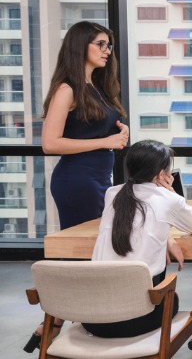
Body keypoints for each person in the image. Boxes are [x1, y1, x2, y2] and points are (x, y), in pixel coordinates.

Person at [26, 21, 129, 353]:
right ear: (80, 45)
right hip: (77, 181)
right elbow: (50, 143)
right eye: (100, 44)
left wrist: (117, 136)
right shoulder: (67, 88)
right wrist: (108, 140)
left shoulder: (95, 86)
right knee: (84, 254)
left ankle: (58, 321)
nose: (106, 51)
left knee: (90, 253)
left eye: (108, 46)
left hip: (99, 178)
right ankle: (60, 321)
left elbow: (94, 134)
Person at [85, 140, 192, 337]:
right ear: (161, 174)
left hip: (93, 319)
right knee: (171, 298)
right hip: (137, 320)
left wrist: (166, 236)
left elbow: (135, 223)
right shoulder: (169, 199)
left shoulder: (112, 193)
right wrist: (172, 193)